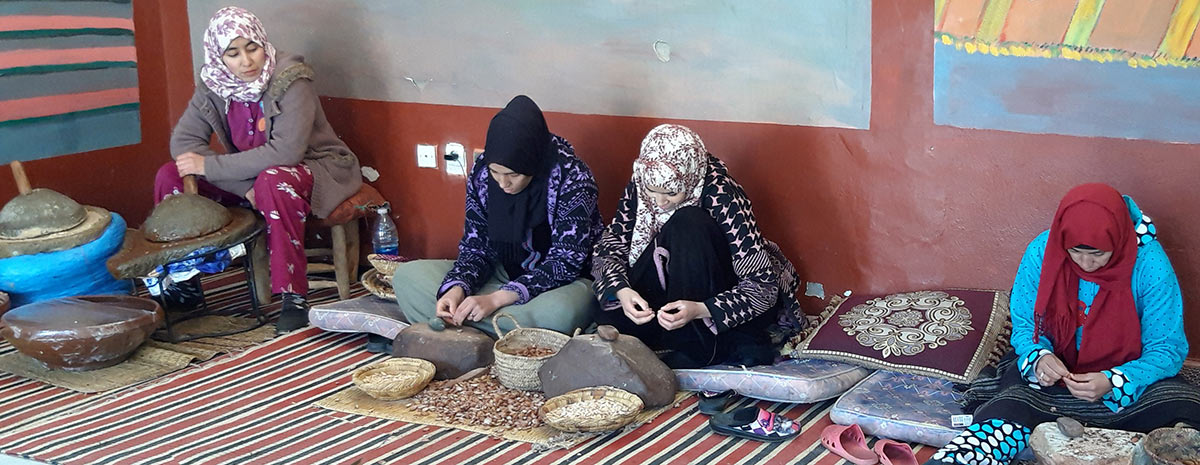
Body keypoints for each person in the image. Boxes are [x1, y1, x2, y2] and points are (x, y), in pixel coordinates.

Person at [928, 183, 1200, 465]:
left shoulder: (1148, 263)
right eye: (1075, 252)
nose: (1085, 263)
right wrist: (1040, 358)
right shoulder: (1042, 252)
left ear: (1119, 241)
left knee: (1186, 417)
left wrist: (1114, 381)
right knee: (1007, 411)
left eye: (1098, 254)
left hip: (1132, 381)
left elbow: (1166, 348)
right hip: (1055, 382)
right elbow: (1025, 325)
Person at [155, 6, 361, 334]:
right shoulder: (214, 84)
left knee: (274, 180)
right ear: (219, 56)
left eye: (252, 48)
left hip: (314, 168)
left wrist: (211, 166)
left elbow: (286, 152)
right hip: (252, 177)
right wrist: (242, 185)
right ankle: (186, 284)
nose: (246, 62)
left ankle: (293, 297)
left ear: (264, 43)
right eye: (233, 54)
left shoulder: (292, 80)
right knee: (170, 175)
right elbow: (184, 142)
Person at [591, 124, 801, 369]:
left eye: (671, 192)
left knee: (688, 222)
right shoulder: (645, 178)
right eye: (652, 191)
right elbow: (610, 247)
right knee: (609, 314)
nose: (659, 202)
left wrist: (702, 309)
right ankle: (673, 330)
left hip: (710, 296)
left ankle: (696, 341)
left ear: (689, 179)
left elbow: (761, 288)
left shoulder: (723, 195)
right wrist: (623, 291)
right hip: (665, 299)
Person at [391, 95, 602, 337]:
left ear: (531, 163)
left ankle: (464, 333)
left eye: (513, 174)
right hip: (501, 273)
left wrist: (496, 299)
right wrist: (458, 288)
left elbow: (567, 261)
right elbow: (476, 247)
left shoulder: (572, 177)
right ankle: (499, 333)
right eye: (496, 172)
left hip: (562, 285)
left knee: (557, 314)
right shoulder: (482, 172)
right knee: (407, 278)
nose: (503, 183)